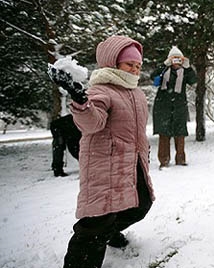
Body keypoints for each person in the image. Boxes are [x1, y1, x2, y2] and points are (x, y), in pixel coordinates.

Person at [48, 35, 155, 268]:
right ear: (112, 63)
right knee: (97, 222)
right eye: (129, 65)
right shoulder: (102, 90)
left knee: (140, 205)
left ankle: (108, 233)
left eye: (138, 66)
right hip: (104, 166)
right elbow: (91, 123)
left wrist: (143, 152)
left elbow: (138, 131)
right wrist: (80, 101)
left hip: (131, 163)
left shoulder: (136, 93)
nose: (135, 70)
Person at [150, 46, 197, 168]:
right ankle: (163, 161)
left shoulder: (185, 72)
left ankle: (180, 159)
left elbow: (193, 80)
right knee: (164, 134)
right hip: (163, 106)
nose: (176, 62)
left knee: (180, 133)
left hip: (179, 106)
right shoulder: (164, 70)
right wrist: (164, 65)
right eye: (174, 59)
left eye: (179, 59)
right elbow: (153, 77)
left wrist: (188, 67)